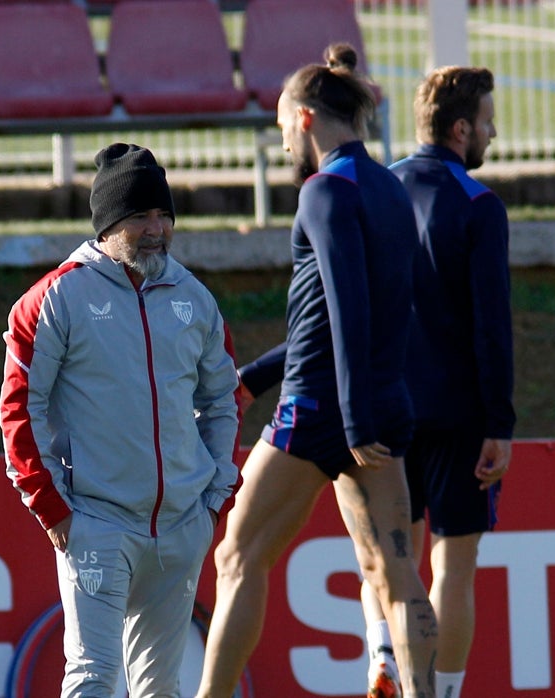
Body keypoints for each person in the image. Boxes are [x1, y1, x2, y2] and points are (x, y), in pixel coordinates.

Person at [196, 44, 437, 698]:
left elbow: (345, 308)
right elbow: (371, 314)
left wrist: (349, 418)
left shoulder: (324, 191)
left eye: (281, 126)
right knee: (396, 573)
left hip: (320, 411)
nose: (282, 143)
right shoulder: (392, 189)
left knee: (238, 557)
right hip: (383, 401)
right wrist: (256, 376)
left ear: (304, 118)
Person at [0, 143, 242, 696]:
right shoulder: (54, 299)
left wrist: (213, 500)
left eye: (163, 215)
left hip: (182, 527)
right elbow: (19, 408)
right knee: (92, 679)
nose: (156, 229)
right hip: (96, 524)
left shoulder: (195, 298)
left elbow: (223, 401)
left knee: (162, 689)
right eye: (139, 216)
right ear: (107, 225)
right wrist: (55, 510)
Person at [372, 64, 516, 698]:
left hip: (384, 409)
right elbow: (492, 327)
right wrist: (499, 424)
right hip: (458, 417)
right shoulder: (479, 204)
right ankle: (442, 693)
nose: (492, 133)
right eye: (487, 121)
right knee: (452, 566)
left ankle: (385, 658)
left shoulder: (379, 189)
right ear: (461, 129)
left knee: (389, 559)